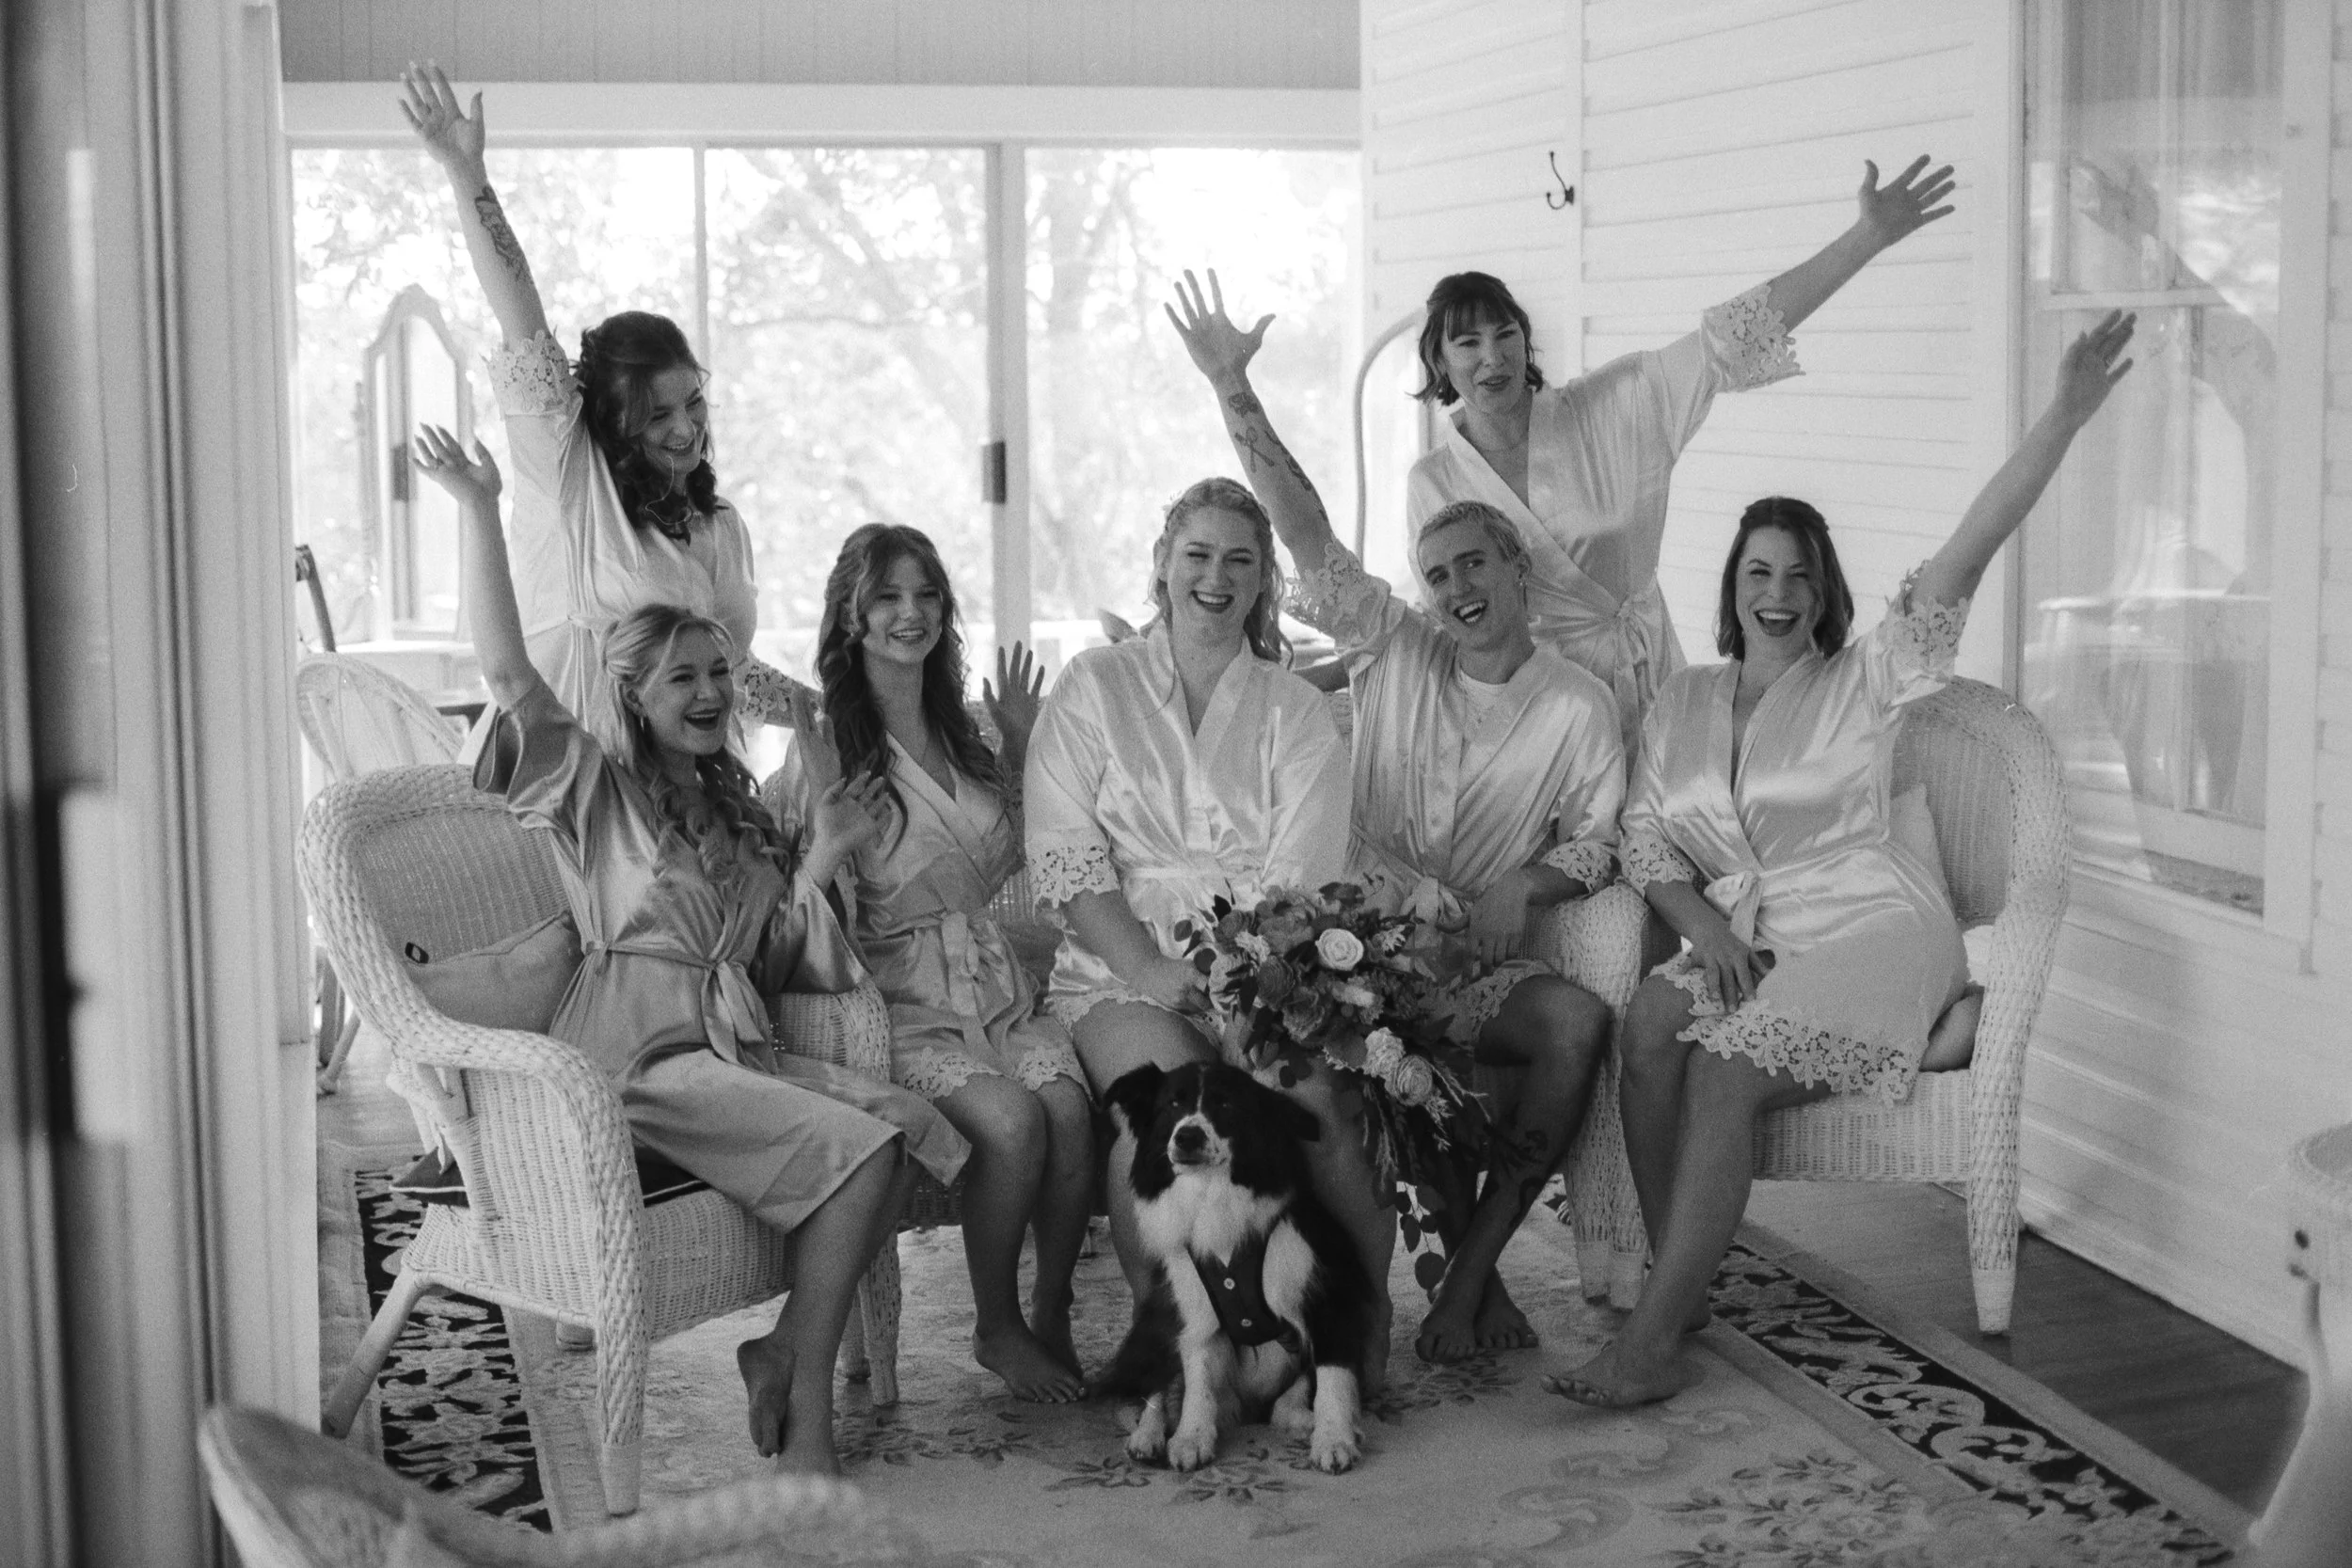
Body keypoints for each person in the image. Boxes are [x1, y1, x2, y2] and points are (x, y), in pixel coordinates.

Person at [1549, 311, 2137, 1408]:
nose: (1778, 594)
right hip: (1749, 936)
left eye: (1801, 578)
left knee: (1724, 1068)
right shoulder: (1678, 699)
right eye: (1760, 571)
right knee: (1647, 1025)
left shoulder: (1867, 682)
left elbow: (1967, 549)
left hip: (1870, 923)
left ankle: (1654, 1337)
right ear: (1731, 583)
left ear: (1825, 596)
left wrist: (2061, 418)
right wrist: (1707, 926)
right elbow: (1644, 840)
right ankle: (1686, 1285)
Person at [408, 424, 969, 1474]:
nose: (711, 693)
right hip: (634, 1063)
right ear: (633, 695)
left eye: (720, 671)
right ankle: (805, 1407)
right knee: (870, 1150)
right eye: (683, 679)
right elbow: (508, 672)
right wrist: (479, 508)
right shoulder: (598, 792)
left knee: (906, 1121)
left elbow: (780, 964)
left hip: (729, 1059)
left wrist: (823, 855)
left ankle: (785, 1347)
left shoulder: (744, 814)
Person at [1168, 271, 1625, 1365]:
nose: (1455, 585)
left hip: (1473, 949)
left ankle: (1467, 1267)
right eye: (1436, 572)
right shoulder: (1395, 644)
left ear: (1516, 570)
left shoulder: (1578, 701)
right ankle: (1459, 1282)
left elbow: (1601, 838)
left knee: (1571, 1023)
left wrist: (1534, 883)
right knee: (1369, 1031)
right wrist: (1236, 393)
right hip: (1357, 945)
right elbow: (1305, 526)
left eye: (1476, 564)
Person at [1021, 478, 1399, 1382]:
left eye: (1240, 560)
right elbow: (1068, 859)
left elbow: (1300, 876)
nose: (1216, 577)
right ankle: (1170, 1341)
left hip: (1269, 966)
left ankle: (1357, 1321)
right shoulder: (1093, 686)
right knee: (1153, 1113)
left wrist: (1247, 998)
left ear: (1264, 580)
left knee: (1315, 1105)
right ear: (1162, 565)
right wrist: (1149, 967)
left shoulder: (1295, 709)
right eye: (1198, 555)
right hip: (1121, 968)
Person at [1407, 156, 1958, 744]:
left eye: (1505, 334)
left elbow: (1731, 338)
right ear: (1440, 361)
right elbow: (1443, 619)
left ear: (1526, 340)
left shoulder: (1614, 407)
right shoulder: (1434, 481)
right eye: (1467, 343)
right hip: (1533, 713)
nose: (1492, 357)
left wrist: (1865, 238)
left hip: (1648, 681)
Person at [398, 64, 807, 750]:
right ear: (612, 422)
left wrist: (843, 715)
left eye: (693, 403)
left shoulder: (718, 528)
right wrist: (465, 170)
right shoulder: (568, 477)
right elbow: (520, 313)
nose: (685, 429)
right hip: (556, 780)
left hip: (675, 791)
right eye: (656, 414)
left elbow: (729, 674)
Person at [776, 525, 1094, 1403]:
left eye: (925, 595)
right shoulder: (821, 750)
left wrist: (1027, 747)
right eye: (887, 597)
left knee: (1069, 1114)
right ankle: (995, 1325)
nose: (909, 613)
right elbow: (786, 912)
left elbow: (1014, 865)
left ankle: (1052, 1305)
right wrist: (826, 850)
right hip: (902, 1000)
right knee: (1015, 1120)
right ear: (851, 615)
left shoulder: (969, 730)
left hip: (995, 986)